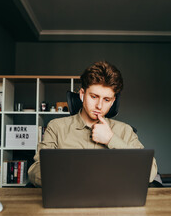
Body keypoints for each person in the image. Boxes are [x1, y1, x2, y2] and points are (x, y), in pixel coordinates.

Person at [28, 61, 158, 186]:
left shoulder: (125, 131)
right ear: (82, 94)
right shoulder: (56, 127)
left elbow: (150, 172)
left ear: (112, 102)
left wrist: (111, 140)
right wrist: (75, 175)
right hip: (69, 199)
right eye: (94, 97)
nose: (99, 106)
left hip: (114, 200)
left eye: (106, 99)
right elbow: (35, 172)